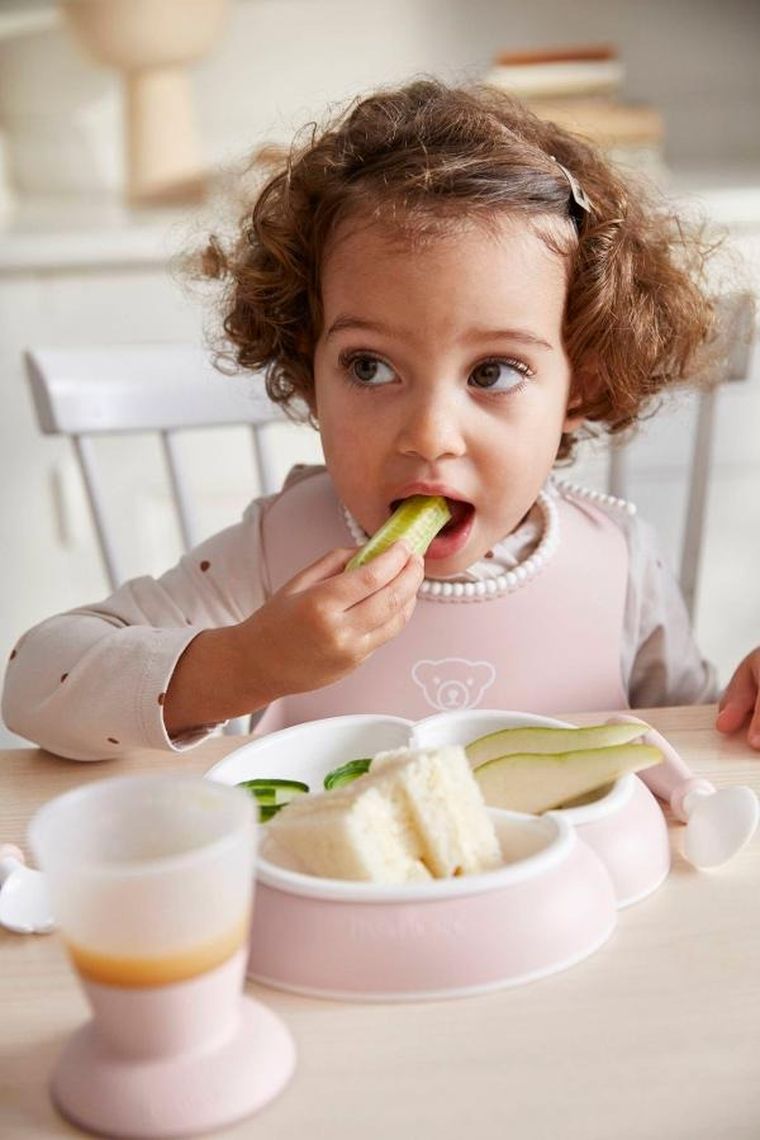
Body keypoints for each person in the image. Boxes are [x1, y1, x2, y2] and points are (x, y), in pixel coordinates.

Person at [3, 79, 759, 761]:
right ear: (309, 364)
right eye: (370, 367)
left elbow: (688, 741)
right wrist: (242, 664)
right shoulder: (270, 561)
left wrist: (745, 708)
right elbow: (37, 683)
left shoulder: (622, 565)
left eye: (493, 372)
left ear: (581, 386)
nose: (429, 434)